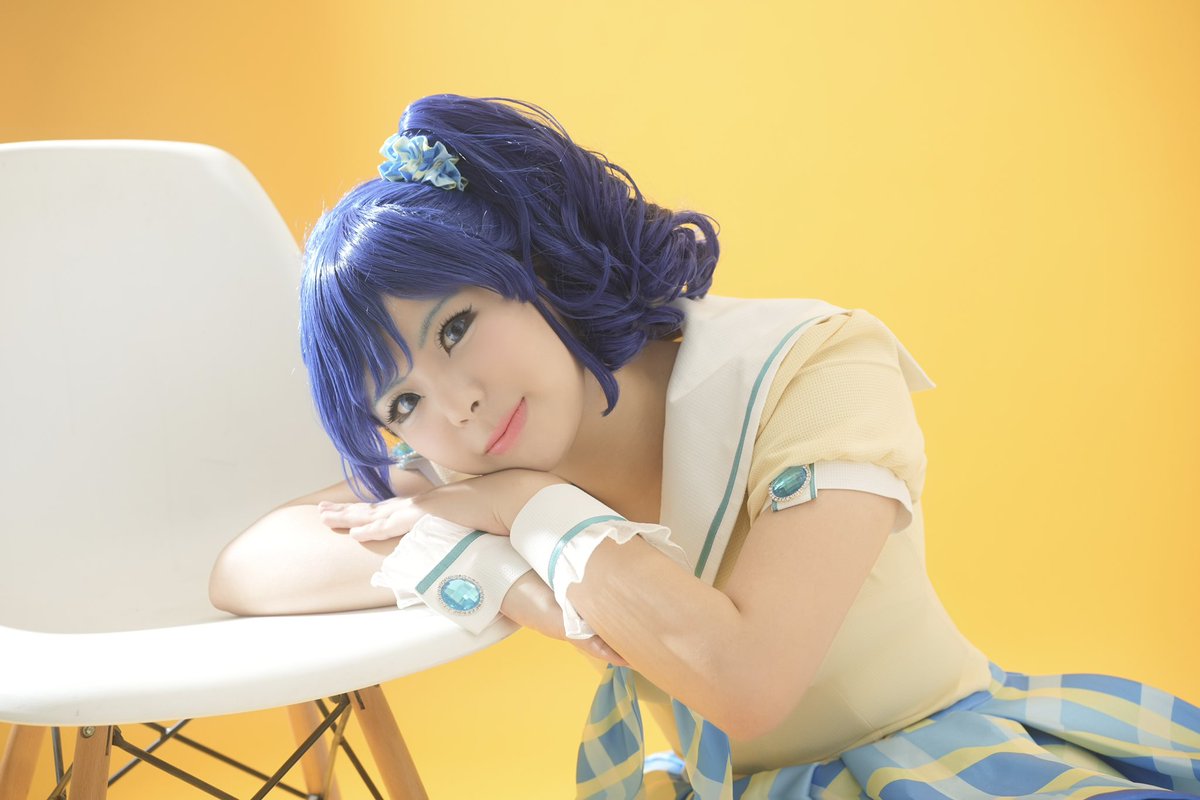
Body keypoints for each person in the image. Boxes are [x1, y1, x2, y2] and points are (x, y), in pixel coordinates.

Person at [208, 95, 1200, 799]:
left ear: (534, 267)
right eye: (402, 398)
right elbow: (250, 565)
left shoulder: (814, 366)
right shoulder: (481, 450)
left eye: (458, 325)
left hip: (938, 762)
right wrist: (504, 574)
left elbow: (747, 679)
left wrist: (526, 511)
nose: (454, 405)